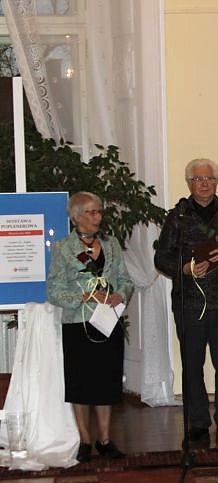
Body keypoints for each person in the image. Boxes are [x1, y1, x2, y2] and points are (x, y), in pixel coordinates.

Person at [154, 158, 218, 448]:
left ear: (216, 181)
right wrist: (185, 269)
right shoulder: (178, 216)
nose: (204, 184)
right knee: (192, 365)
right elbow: (161, 258)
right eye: (198, 179)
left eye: (209, 178)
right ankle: (197, 425)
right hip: (189, 303)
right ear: (189, 183)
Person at [47, 191, 134, 462]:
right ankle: (85, 440)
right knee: (81, 384)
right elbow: (53, 290)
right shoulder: (63, 248)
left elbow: (126, 280)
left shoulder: (111, 244)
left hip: (107, 321)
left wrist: (120, 294)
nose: (98, 217)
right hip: (78, 323)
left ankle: (105, 440)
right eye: (92, 212)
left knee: (106, 382)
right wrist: (83, 296)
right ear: (76, 217)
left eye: (99, 211)